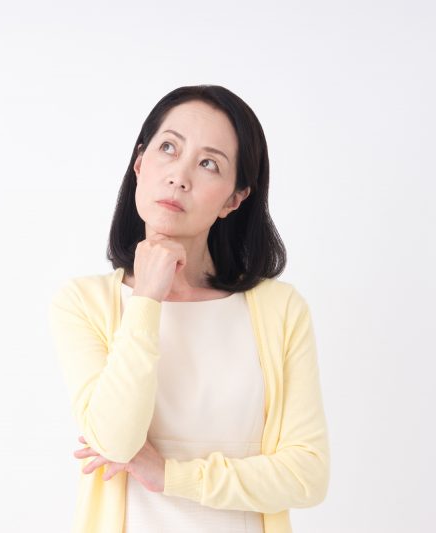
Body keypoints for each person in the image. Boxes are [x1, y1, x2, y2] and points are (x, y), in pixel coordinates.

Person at [48, 85, 329, 533]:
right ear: (139, 163)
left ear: (234, 199)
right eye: (168, 148)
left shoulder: (279, 310)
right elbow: (115, 442)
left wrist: (171, 476)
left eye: (208, 163)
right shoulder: (85, 302)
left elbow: (307, 475)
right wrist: (146, 300)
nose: (180, 177)